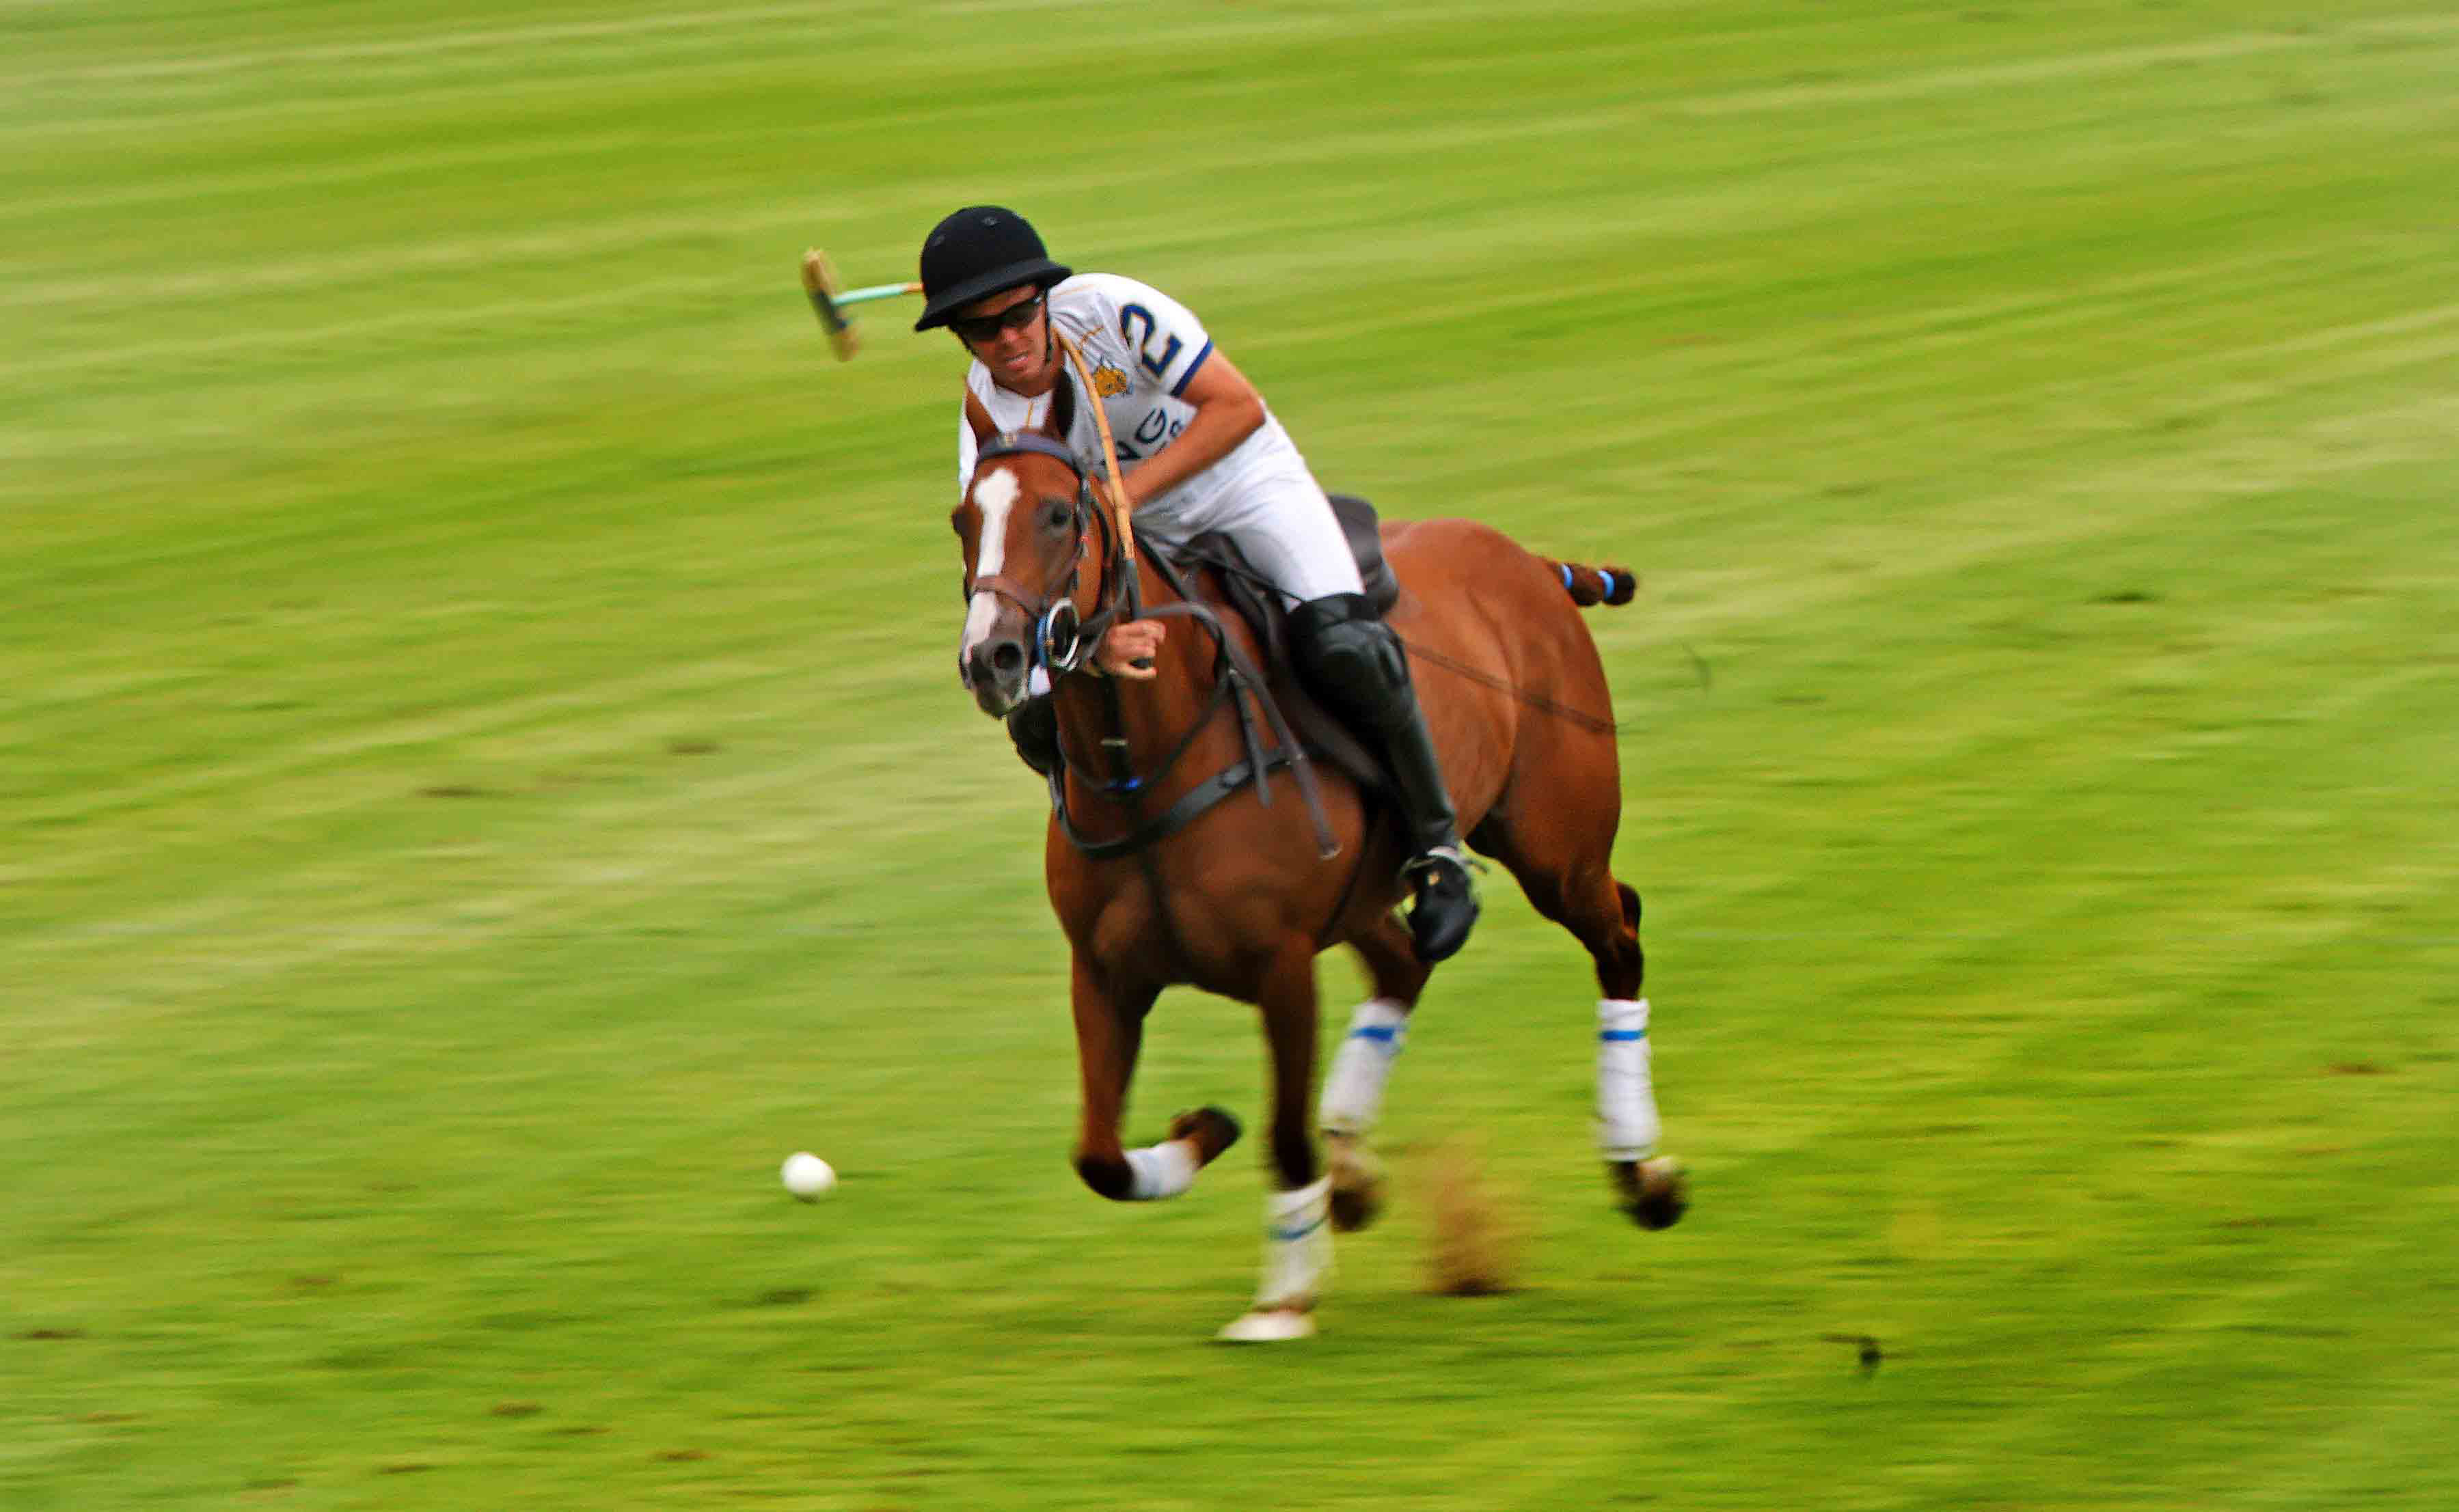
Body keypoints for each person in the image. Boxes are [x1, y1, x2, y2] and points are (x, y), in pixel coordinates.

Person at [919, 205, 1477, 963]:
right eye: (985, 330)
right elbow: (1009, 563)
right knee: (1037, 717)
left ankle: (1437, 848)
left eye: (1020, 314)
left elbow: (1236, 405)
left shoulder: (1117, 313)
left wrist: (1127, 494)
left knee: (1343, 641)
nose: (1009, 338)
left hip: (1238, 480)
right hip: (1126, 535)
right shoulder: (988, 415)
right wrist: (1089, 647)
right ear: (962, 337)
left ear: (1044, 298)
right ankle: (1115, 858)